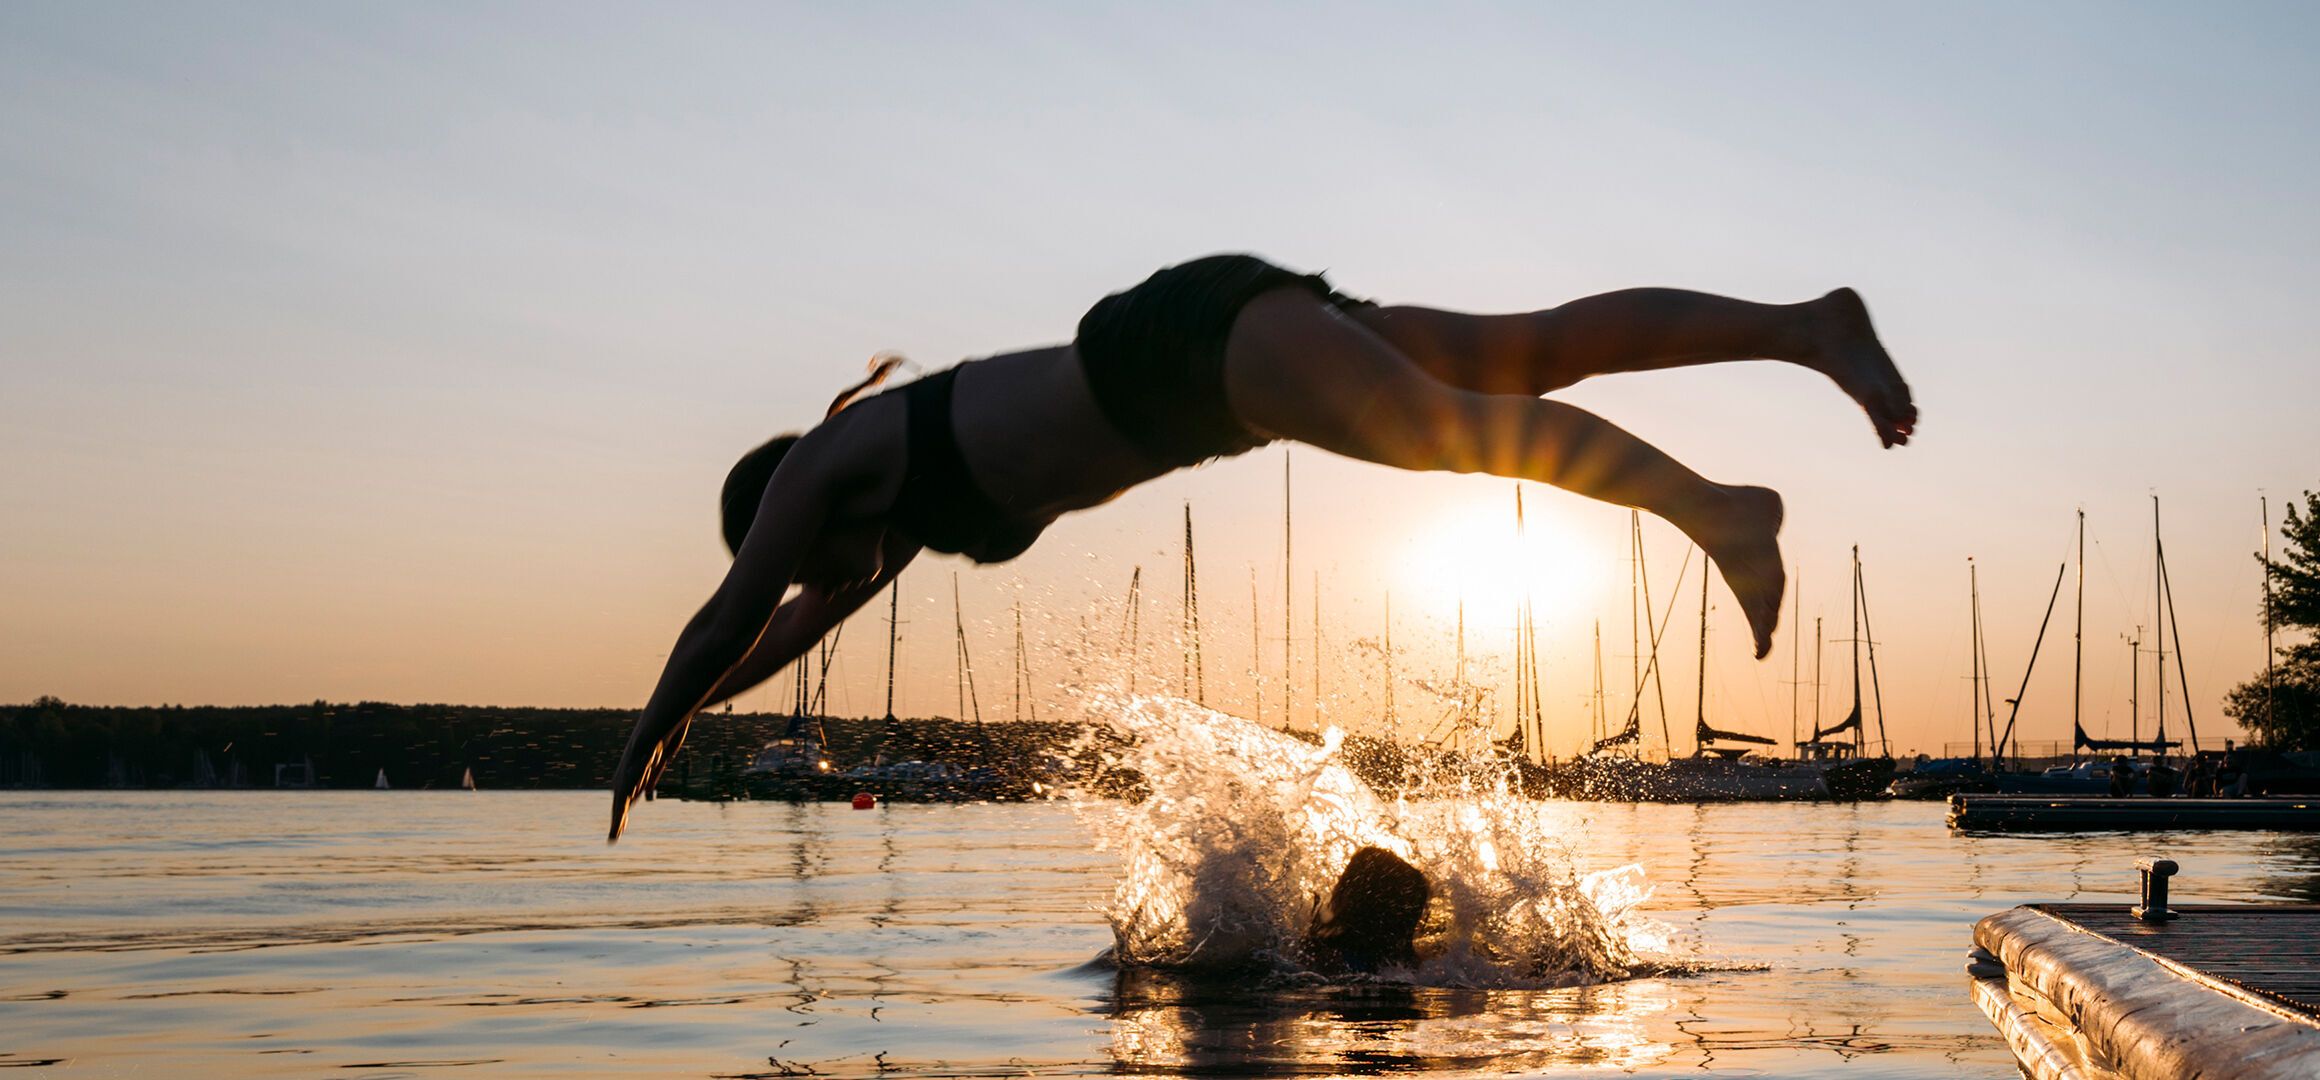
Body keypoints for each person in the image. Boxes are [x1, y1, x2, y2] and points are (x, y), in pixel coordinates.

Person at [608, 253, 1917, 840]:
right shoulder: (890, 529)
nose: (820, 586)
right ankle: (1809, 325)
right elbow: (776, 637)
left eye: (804, 557)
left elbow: (733, 610)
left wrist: (651, 724)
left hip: (1182, 348)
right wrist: (695, 716)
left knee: (1454, 432)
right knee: (1529, 350)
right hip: (1216, 368)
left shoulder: (844, 462)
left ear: (792, 505)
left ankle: (1717, 510)